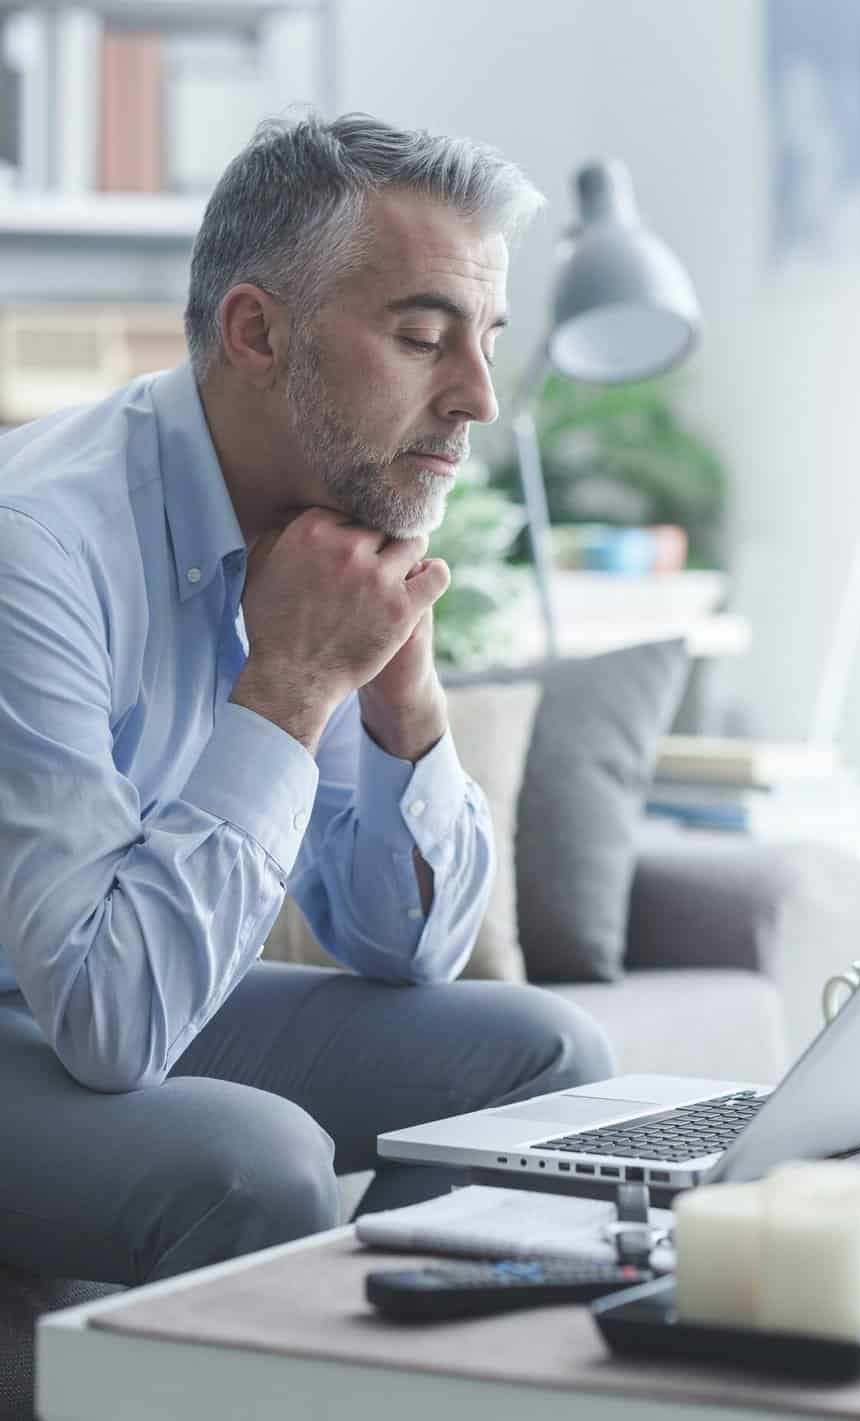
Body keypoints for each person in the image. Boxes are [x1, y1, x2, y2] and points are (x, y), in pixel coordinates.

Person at [0, 114, 613, 1288]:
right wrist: (286, 688)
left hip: (96, 998)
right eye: (425, 337)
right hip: (55, 1001)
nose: (479, 396)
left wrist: (402, 702)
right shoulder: (37, 546)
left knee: (546, 1061)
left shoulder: (319, 533)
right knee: (256, 1157)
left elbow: (406, 944)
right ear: (255, 332)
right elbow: (110, 1017)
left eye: (484, 338)